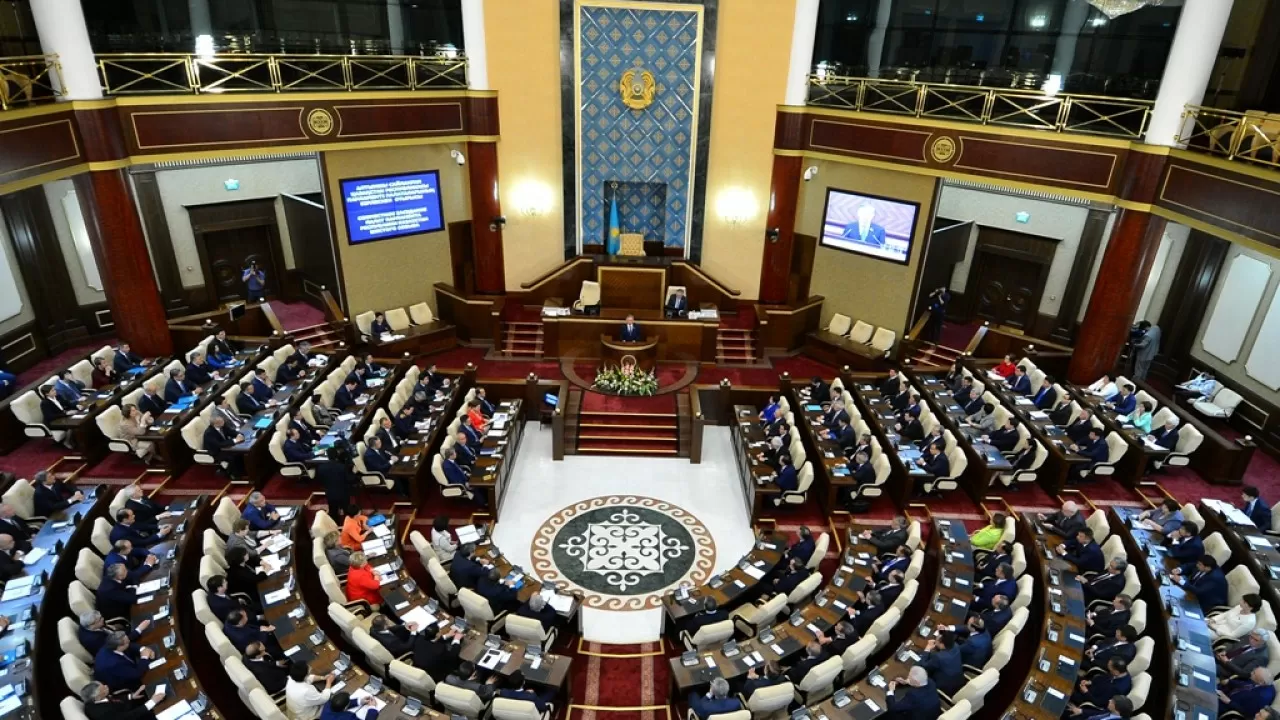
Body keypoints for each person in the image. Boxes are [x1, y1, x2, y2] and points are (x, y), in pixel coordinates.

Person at [80, 681, 166, 720]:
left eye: (104, 685)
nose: (106, 687)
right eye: (104, 689)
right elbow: (129, 717)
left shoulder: (96, 699)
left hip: (128, 708)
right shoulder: (103, 713)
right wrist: (152, 702)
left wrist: (131, 696)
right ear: (97, 697)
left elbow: (112, 698)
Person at [920, 630, 964, 695]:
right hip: (958, 681)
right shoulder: (956, 646)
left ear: (942, 644)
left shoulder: (939, 657)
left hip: (944, 687)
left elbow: (924, 665)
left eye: (937, 640)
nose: (935, 640)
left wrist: (927, 648)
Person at [202, 414, 244, 479]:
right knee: (233, 456)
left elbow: (231, 432)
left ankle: (242, 470)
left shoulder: (223, 426)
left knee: (239, 452)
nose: (223, 422)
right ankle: (234, 475)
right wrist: (235, 440)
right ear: (215, 424)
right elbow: (219, 444)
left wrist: (238, 434)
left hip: (225, 447)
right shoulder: (209, 433)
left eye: (222, 421)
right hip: (216, 452)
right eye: (221, 422)